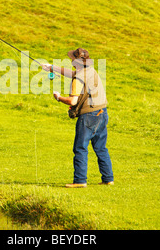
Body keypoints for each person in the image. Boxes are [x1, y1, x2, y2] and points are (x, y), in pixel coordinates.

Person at [42, 48, 114, 188]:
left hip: (88, 116)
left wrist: (58, 97)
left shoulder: (78, 79)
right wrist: (52, 67)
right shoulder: (90, 71)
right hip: (102, 113)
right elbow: (72, 73)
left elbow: (72, 101)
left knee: (80, 148)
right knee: (100, 148)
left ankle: (80, 181)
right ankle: (108, 179)